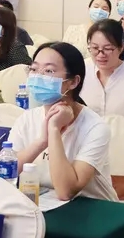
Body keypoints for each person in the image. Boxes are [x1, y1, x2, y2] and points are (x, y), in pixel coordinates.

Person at [7, 42, 115, 202]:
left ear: (73, 82)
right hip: (44, 203)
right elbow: (0, 173)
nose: (38, 77)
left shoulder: (95, 127)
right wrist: (41, 142)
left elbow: (66, 192)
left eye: (49, 71)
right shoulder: (27, 119)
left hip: (91, 209)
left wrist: (54, 130)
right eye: (34, 69)